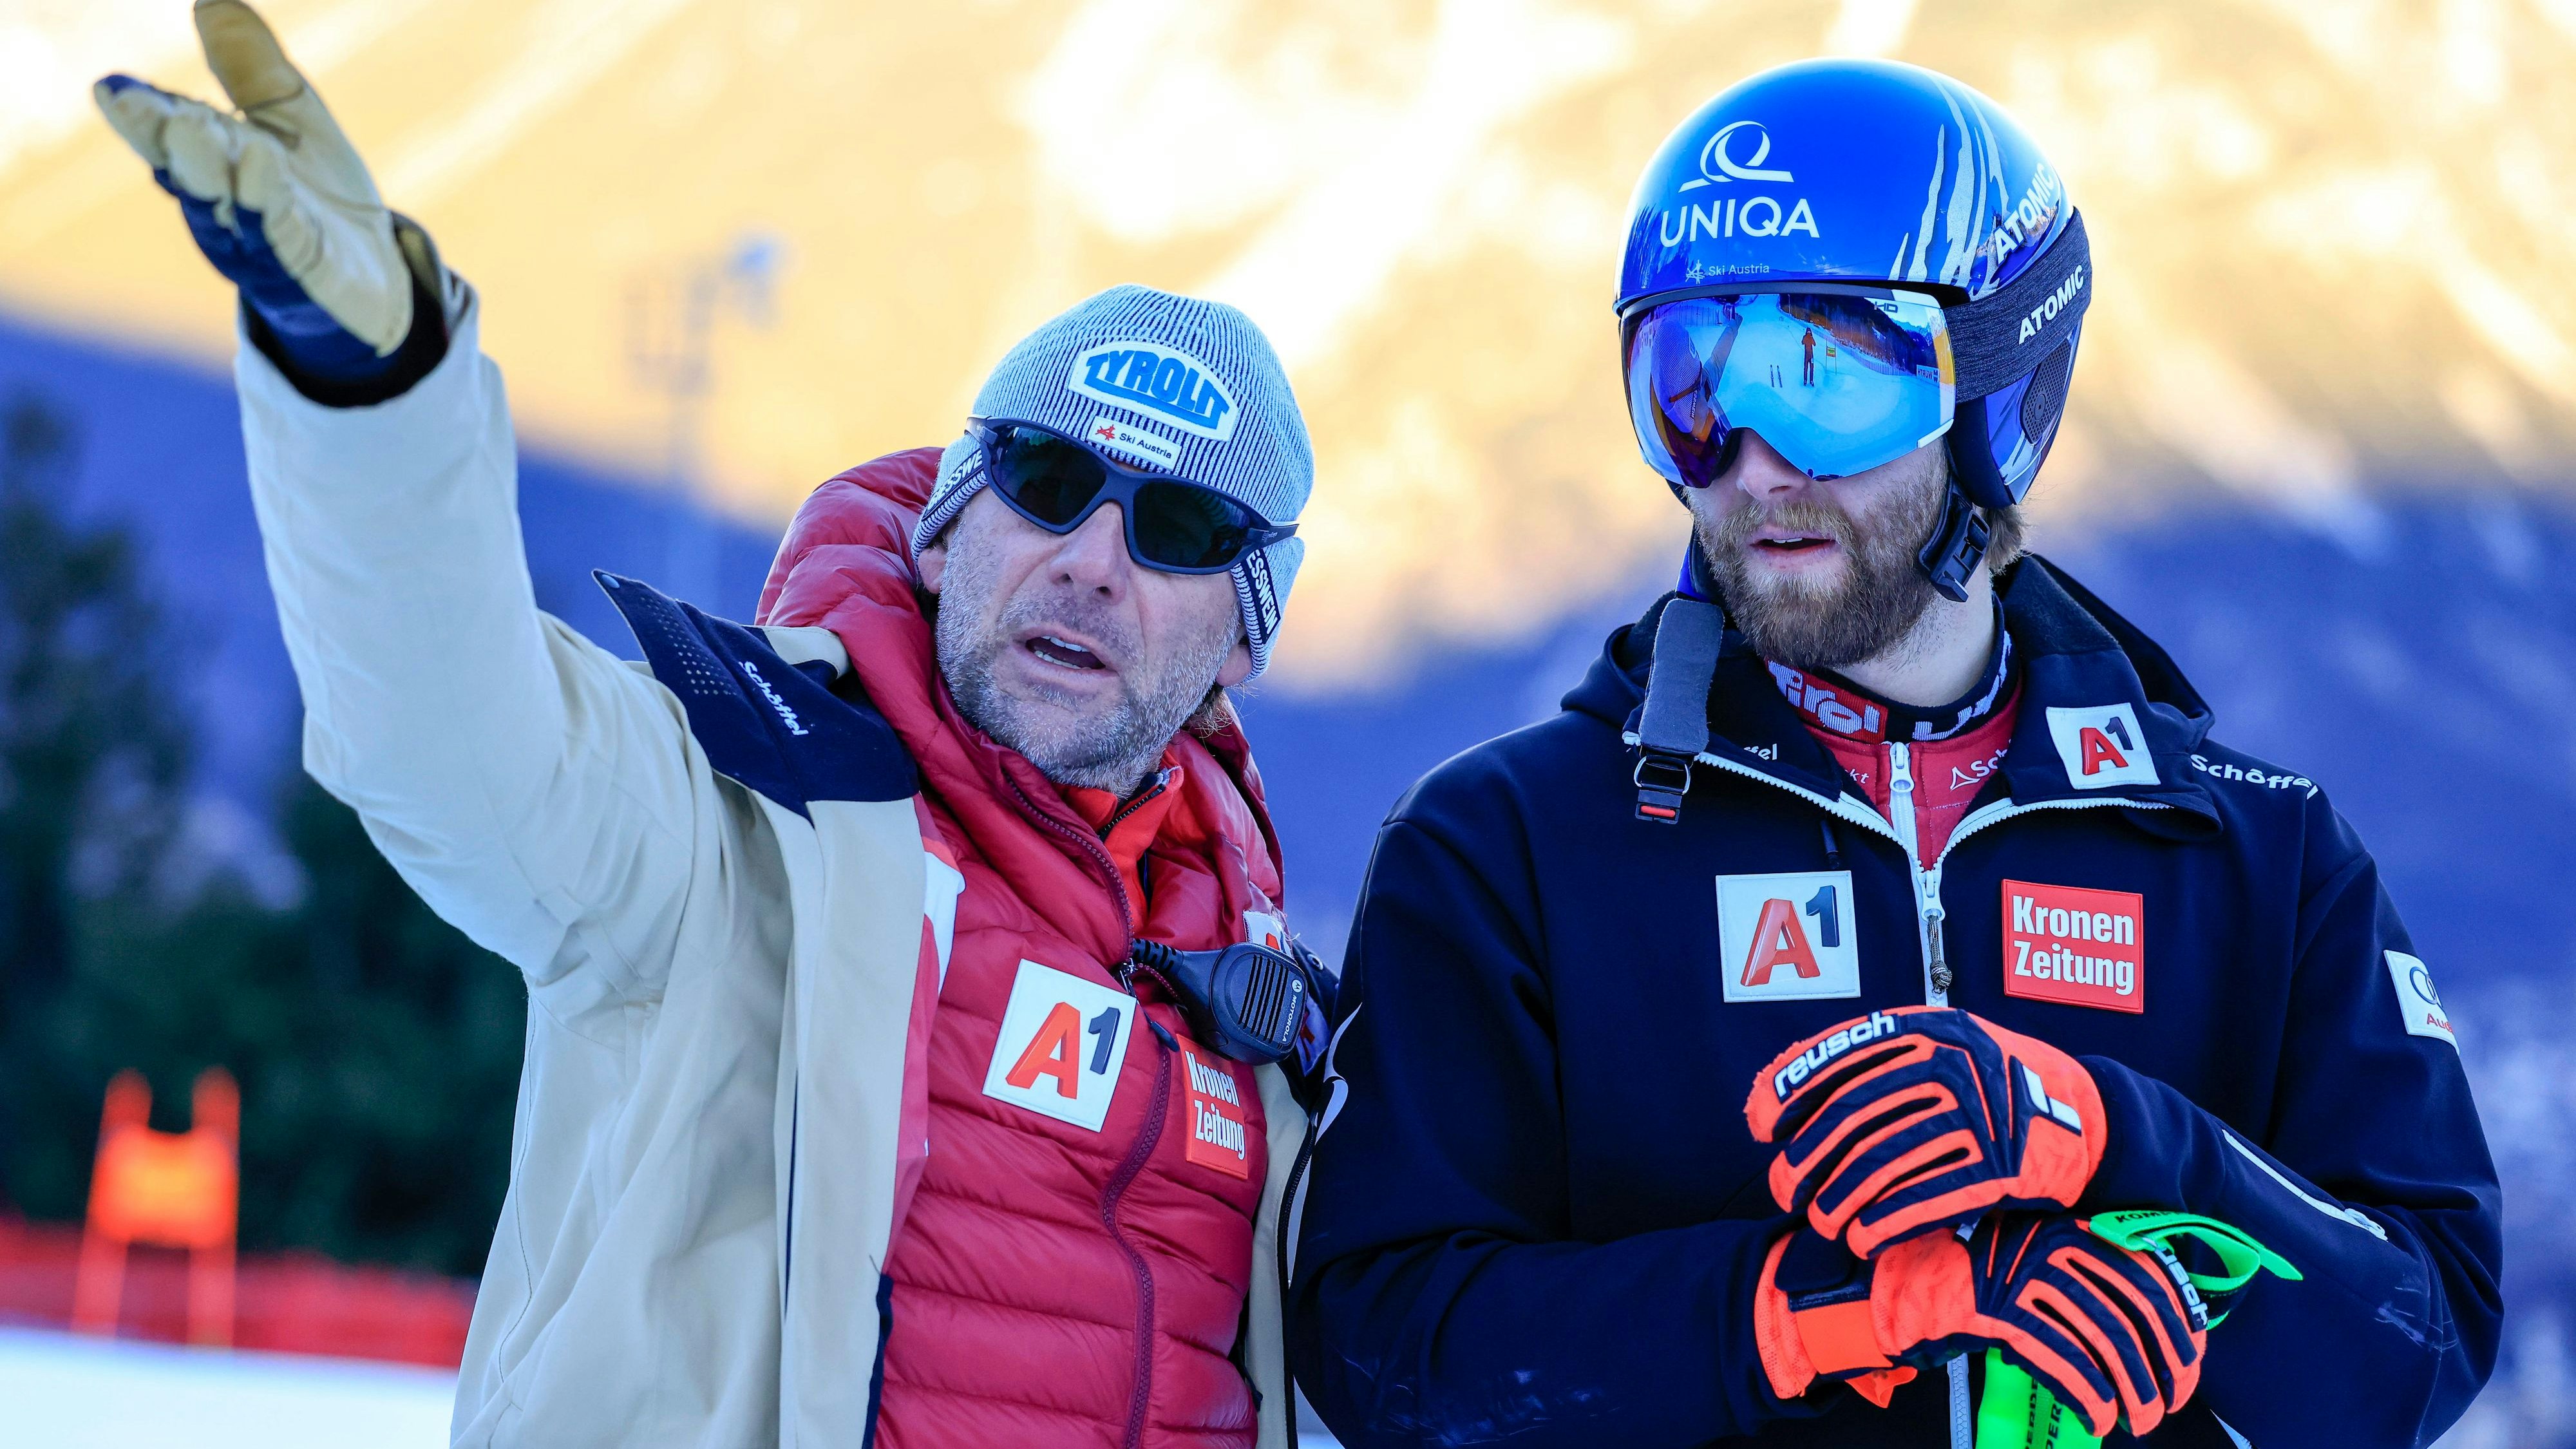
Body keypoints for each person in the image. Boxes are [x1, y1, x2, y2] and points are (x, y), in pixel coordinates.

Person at [94, 5, 1339, 1446]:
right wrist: (370, 392)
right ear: (943, 530)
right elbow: (452, 737)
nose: (1092, 558)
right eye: (1048, 483)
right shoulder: (731, 827)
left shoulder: (1275, 1015)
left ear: (1246, 634)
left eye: (1176, 529)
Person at [1289, 57, 2499, 1449]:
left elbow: (2416, 1348)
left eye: (1822, 380)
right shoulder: (1505, 847)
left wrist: (2113, 1139)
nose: (1749, 463)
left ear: (1998, 401)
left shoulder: (2254, 857)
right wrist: (1813, 1309)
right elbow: (1384, 1353)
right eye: (1685, 385)